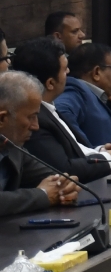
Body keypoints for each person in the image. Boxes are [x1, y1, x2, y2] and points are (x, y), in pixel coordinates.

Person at [13, 39, 111, 180]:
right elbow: (64, 169)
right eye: (64, 69)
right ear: (51, 83)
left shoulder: (49, 108)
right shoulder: (37, 120)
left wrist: (99, 152)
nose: (68, 72)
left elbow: (72, 151)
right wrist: (108, 159)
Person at [0, 71, 79, 216]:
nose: (36, 126)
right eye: (31, 117)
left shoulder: (13, 146)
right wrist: (42, 195)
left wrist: (66, 187)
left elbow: (56, 179)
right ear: (2, 119)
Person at [55, 41, 111, 156]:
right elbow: (61, 111)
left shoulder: (99, 95)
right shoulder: (75, 90)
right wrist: (95, 152)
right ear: (96, 72)